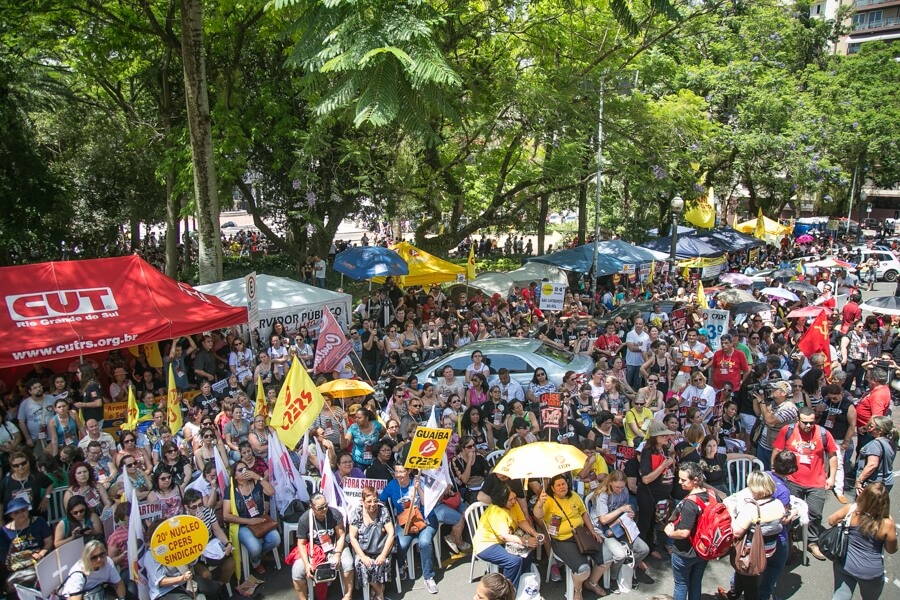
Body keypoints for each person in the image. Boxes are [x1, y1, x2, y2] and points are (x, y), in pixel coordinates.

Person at [772, 406, 837, 561]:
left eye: (811, 422)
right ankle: (790, 541)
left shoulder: (823, 433)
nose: (808, 426)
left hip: (817, 482)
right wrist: (776, 474)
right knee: (788, 514)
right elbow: (777, 452)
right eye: (805, 422)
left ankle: (812, 541)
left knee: (815, 514)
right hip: (792, 481)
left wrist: (832, 477)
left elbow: (833, 455)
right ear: (797, 420)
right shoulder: (787, 431)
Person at [534, 474, 608, 600]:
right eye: (558, 485)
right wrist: (540, 502)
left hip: (581, 535)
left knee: (607, 557)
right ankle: (577, 590)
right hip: (562, 540)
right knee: (583, 569)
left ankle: (591, 582)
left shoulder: (574, 495)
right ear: (552, 488)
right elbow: (538, 514)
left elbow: (584, 513)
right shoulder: (547, 500)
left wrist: (592, 531)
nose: (562, 487)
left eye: (564, 484)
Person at [720, 472, 785, 600]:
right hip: (770, 548)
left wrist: (731, 512)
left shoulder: (751, 509)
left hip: (751, 553)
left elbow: (737, 531)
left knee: (750, 587)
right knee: (743, 574)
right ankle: (733, 594)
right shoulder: (778, 503)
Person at [827, 482, 897, 600]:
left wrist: (845, 523)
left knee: (840, 597)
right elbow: (892, 549)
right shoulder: (887, 523)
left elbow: (831, 520)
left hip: (844, 564)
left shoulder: (851, 509)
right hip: (870, 572)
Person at [379, 464, 439, 593]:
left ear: (409, 471)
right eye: (396, 471)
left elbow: (426, 503)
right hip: (405, 522)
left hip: (425, 519)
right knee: (401, 543)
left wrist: (420, 489)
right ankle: (401, 566)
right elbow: (381, 501)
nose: (399, 475)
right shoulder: (392, 485)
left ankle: (429, 577)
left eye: (402, 472)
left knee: (424, 542)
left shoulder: (418, 481)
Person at [590, 470, 651, 593]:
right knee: (620, 554)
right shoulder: (603, 495)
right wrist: (621, 510)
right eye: (617, 487)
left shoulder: (624, 491)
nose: (620, 490)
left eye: (622, 487)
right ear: (610, 483)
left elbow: (625, 510)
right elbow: (603, 519)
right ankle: (613, 577)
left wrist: (630, 513)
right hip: (602, 529)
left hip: (618, 526)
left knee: (644, 549)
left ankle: (628, 569)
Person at [473, 480, 541, 588]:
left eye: (514, 498)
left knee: (528, 551)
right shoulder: (496, 511)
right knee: (514, 561)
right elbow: (504, 536)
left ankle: (522, 582)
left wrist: (534, 533)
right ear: (502, 500)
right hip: (486, 545)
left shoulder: (514, 504)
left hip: (501, 542)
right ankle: (508, 591)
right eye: (510, 500)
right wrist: (526, 541)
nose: (514, 501)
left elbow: (521, 521)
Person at [663, 462, 714, 600]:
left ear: (695, 480)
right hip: (704, 549)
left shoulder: (690, 504)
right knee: (696, 582)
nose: (679, 482)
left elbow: (684, 532)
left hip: (685, 552)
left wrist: (670, 533)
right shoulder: (711, 495)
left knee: (681, 584)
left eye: (684, 480)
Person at [293, 493, 354, 600]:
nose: (324, 509)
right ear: (311, 507)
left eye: (326, 505)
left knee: (348, 564)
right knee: (297, 572)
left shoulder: (334, 514)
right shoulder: (305, 519)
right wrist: (307, 564)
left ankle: (348, 595)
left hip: (334, 546)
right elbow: (301, 544)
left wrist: (337, 553)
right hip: (314, 550)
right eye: (320, 508)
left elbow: (341, 535)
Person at [223, 460, 280, 575]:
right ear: (235, 476)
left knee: (275, 539)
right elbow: (226, 515)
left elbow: (271, 492)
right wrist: (249, 521)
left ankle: (255, 558)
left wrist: (258, 477)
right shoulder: (230, 490)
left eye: (246, 468)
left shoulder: (256, 483)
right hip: (243, 525)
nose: (245, 471)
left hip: (260, 520)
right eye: (240, 470)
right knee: (255, 547)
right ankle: (256, 561)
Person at [637, 421, 677, 559]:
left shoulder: (664, 449)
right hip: (648, 495)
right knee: (645, 524)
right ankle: (640, 554)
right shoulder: (648, 452)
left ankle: (649, 547)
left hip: (661, 495)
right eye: (663, 435)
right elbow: (646, 479)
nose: (667, 437)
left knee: (654, 523)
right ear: (655, 437)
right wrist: (663, 466)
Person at [347, 487, 395, 600]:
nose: (373, 504)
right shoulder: (356, 512)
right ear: (362, 501)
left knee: (381, 563)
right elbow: (353, 538)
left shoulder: (383, 510)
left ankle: (376, 591)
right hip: (364, 551)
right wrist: (363, 557)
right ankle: (379, 592)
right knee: (363, 565)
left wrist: (383, 555)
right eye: (369, 501)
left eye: (375, 501)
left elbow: (391, 533)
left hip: (381, 549)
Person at [0, 497, 53, 592]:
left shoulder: (39, 522)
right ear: (11, 515)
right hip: (18, 568)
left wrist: (41, 553)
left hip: (39, 561)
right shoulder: (4, 531)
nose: (21, 514)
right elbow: (5, 558)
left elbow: (48, 542)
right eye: (16, 512)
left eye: (23, 510)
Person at [144, 518, 198, 600]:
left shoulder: (175, 545)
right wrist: (182, 578)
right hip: (165, 592)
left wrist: (191, 557)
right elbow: (161, 581)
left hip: (184, 583)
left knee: (214, 588)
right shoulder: (150, 555)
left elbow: (191, 562)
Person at [58, 540, 127, 600]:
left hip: (99, 591)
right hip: (79, 595)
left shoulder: (107, 561)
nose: (99, 559)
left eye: (101, 554)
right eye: (94, 557)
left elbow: (118, 584)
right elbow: (75, 598)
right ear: (87, 558)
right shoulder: (78, 573)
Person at [855, 415, 897, 493]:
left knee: (864, 504)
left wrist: (859, 480)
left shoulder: (875, 445)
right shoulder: (891, 441)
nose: (869, 428)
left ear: (880, 430)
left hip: (873, 483)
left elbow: (872, 465)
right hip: (886, 481)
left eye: (871, 426)